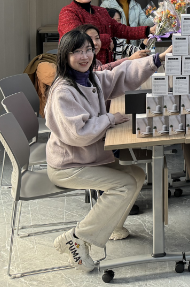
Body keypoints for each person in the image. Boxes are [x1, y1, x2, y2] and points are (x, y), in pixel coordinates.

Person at [45, 30, 169, 272]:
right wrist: (110, 118)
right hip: (69, 165)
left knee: (137, 175)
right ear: (65, 55)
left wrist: (157, 59)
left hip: (87, 157)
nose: (84, 56)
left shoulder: (89, 78)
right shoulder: (63, 91)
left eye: (88, 50)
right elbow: (79, 133)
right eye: (77, 52)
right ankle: (77, 238)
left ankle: (111, 226)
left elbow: (118, 76)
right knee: (125, 185)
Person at [58, 0, 154, 64]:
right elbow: (78, 38)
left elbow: (121, 29)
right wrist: (108, 40)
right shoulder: (68, 12)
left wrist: (149, 30)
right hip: (80, 65)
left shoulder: (101, 11)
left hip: (105, 66)